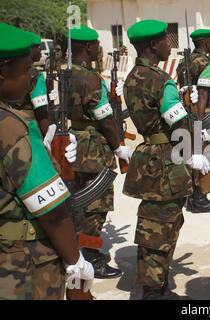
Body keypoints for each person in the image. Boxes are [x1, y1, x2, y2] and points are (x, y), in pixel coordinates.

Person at [0, 22, 93, 300]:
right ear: (3, 70)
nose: (31, 77)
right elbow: (50, 209)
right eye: (26, 69)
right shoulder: (12, 128)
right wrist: (75, 260)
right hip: (21, 265)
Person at [122, 19, 210, 300]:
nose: (169, 45)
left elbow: (154, 114)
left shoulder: (134, 76)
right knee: (163, 225)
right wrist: (194, 153)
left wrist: (182, 98)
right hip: (166, 162)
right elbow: (177, 126)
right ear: (152, 45)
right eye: (164, 41)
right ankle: (154, 290)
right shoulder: (161, 81)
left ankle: (156, 281)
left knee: (154, 222)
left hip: (148, 156)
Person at [68, 25, 131, 279]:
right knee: (95, 208)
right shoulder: (89, 77)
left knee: (80, 203)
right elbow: (105, 119)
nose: (97, 49)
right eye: (95, 45)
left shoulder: (68, 74)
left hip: (77, 143)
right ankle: (92, 256)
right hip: (94, 147)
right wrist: (118, 146)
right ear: (88, 47)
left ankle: (82, 248)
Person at [176, 29, 210, 213]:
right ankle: (200, 198)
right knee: (207, 154)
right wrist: (200, 123)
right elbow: (203, 93)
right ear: (207, 42)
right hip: (203, 115)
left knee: (193, 154)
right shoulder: (207, 64)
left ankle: (192, 194)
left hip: (187, 112)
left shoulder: (183, 63)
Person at [10, 31, 57, 138]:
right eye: (38, 47)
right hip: (29, 130)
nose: (40, 51)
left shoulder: (10, 71)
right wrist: (50, 139)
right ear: (29, 49)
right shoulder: (35, 75)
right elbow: (41, 113)